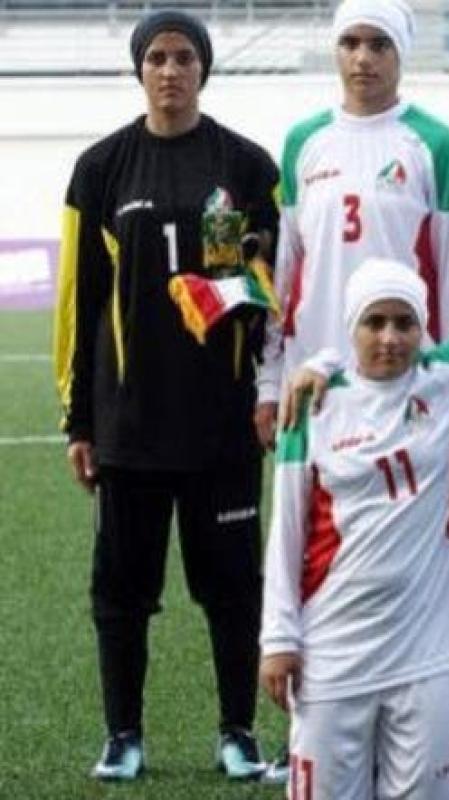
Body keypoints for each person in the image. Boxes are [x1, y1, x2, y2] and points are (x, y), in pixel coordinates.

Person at [53, 9, 276, 781]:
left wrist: (244, 281)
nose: (171, 70)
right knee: (121, 592)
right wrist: (79, 421)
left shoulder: (246, 164)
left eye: (184, 57)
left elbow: (275, 287)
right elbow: (80, 301)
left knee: (234, 590)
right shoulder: (101, 169)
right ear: (139, 69)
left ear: (203, 69)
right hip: (131, 426)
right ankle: (123, 735)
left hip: (222, 424)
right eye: (158, 57)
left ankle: (238, 732)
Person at [260, 259, 449, 800]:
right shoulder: (313, 404)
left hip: (426, 650)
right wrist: (278, 638)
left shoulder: (445, 379)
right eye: (374, 322)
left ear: (422, 327)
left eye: (405, 323)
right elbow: (286, 532)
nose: (390, 338)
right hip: (334, 648)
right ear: (352, 325)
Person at [256, 0, 449, 445]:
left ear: (400, 53)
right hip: (312, 371)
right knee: (310, 492)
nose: (362, 58)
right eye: (350, 43)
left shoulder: (436, 144)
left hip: (407, 374)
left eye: (379, 45)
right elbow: (285, 272)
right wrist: (270, 383)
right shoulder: (304, 141)